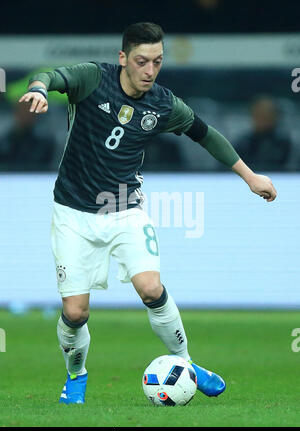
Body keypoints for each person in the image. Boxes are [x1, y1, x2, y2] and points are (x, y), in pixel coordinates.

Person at [19, 22, 277, 405]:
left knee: (151, 288)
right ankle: (76, 375)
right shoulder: (93, 78)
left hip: (126, 208)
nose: (150, 70)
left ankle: (188, 364)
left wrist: (249, 175)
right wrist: (39, 88)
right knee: (75, 313)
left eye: (157, 61)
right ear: (123, 58)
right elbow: (51, 75)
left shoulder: (163, 103)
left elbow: (204, 133)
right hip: (73, 211)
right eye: (141, 61)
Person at [235, 96, 292, 172]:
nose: (262, 119)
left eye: (266, 114)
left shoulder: (286, 144)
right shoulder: (242, 144)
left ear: (275, 116)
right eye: (258, 114)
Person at [0, 101, 55, 171]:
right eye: (22, 111)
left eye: (29, 111)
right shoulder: (4, 142)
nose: (25, 115)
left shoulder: (45, 143)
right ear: (15, 113)